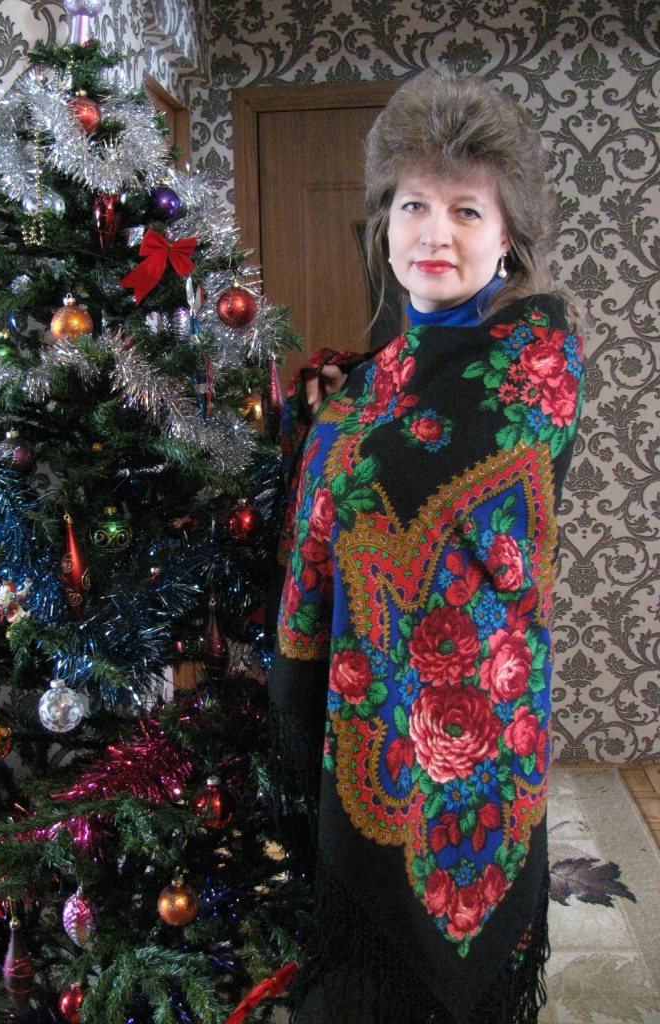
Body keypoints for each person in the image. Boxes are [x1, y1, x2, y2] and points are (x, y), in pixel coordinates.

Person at [269, 68, 585, 1024]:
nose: (434, 233)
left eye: (465, 210)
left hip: (467, 735)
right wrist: (329, 412)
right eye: (413, 205)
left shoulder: (534, 364)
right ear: (384, 224)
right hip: (361, 719)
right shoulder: (375, 379)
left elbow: (400, 482)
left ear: (507, 237)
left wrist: (338, 426)